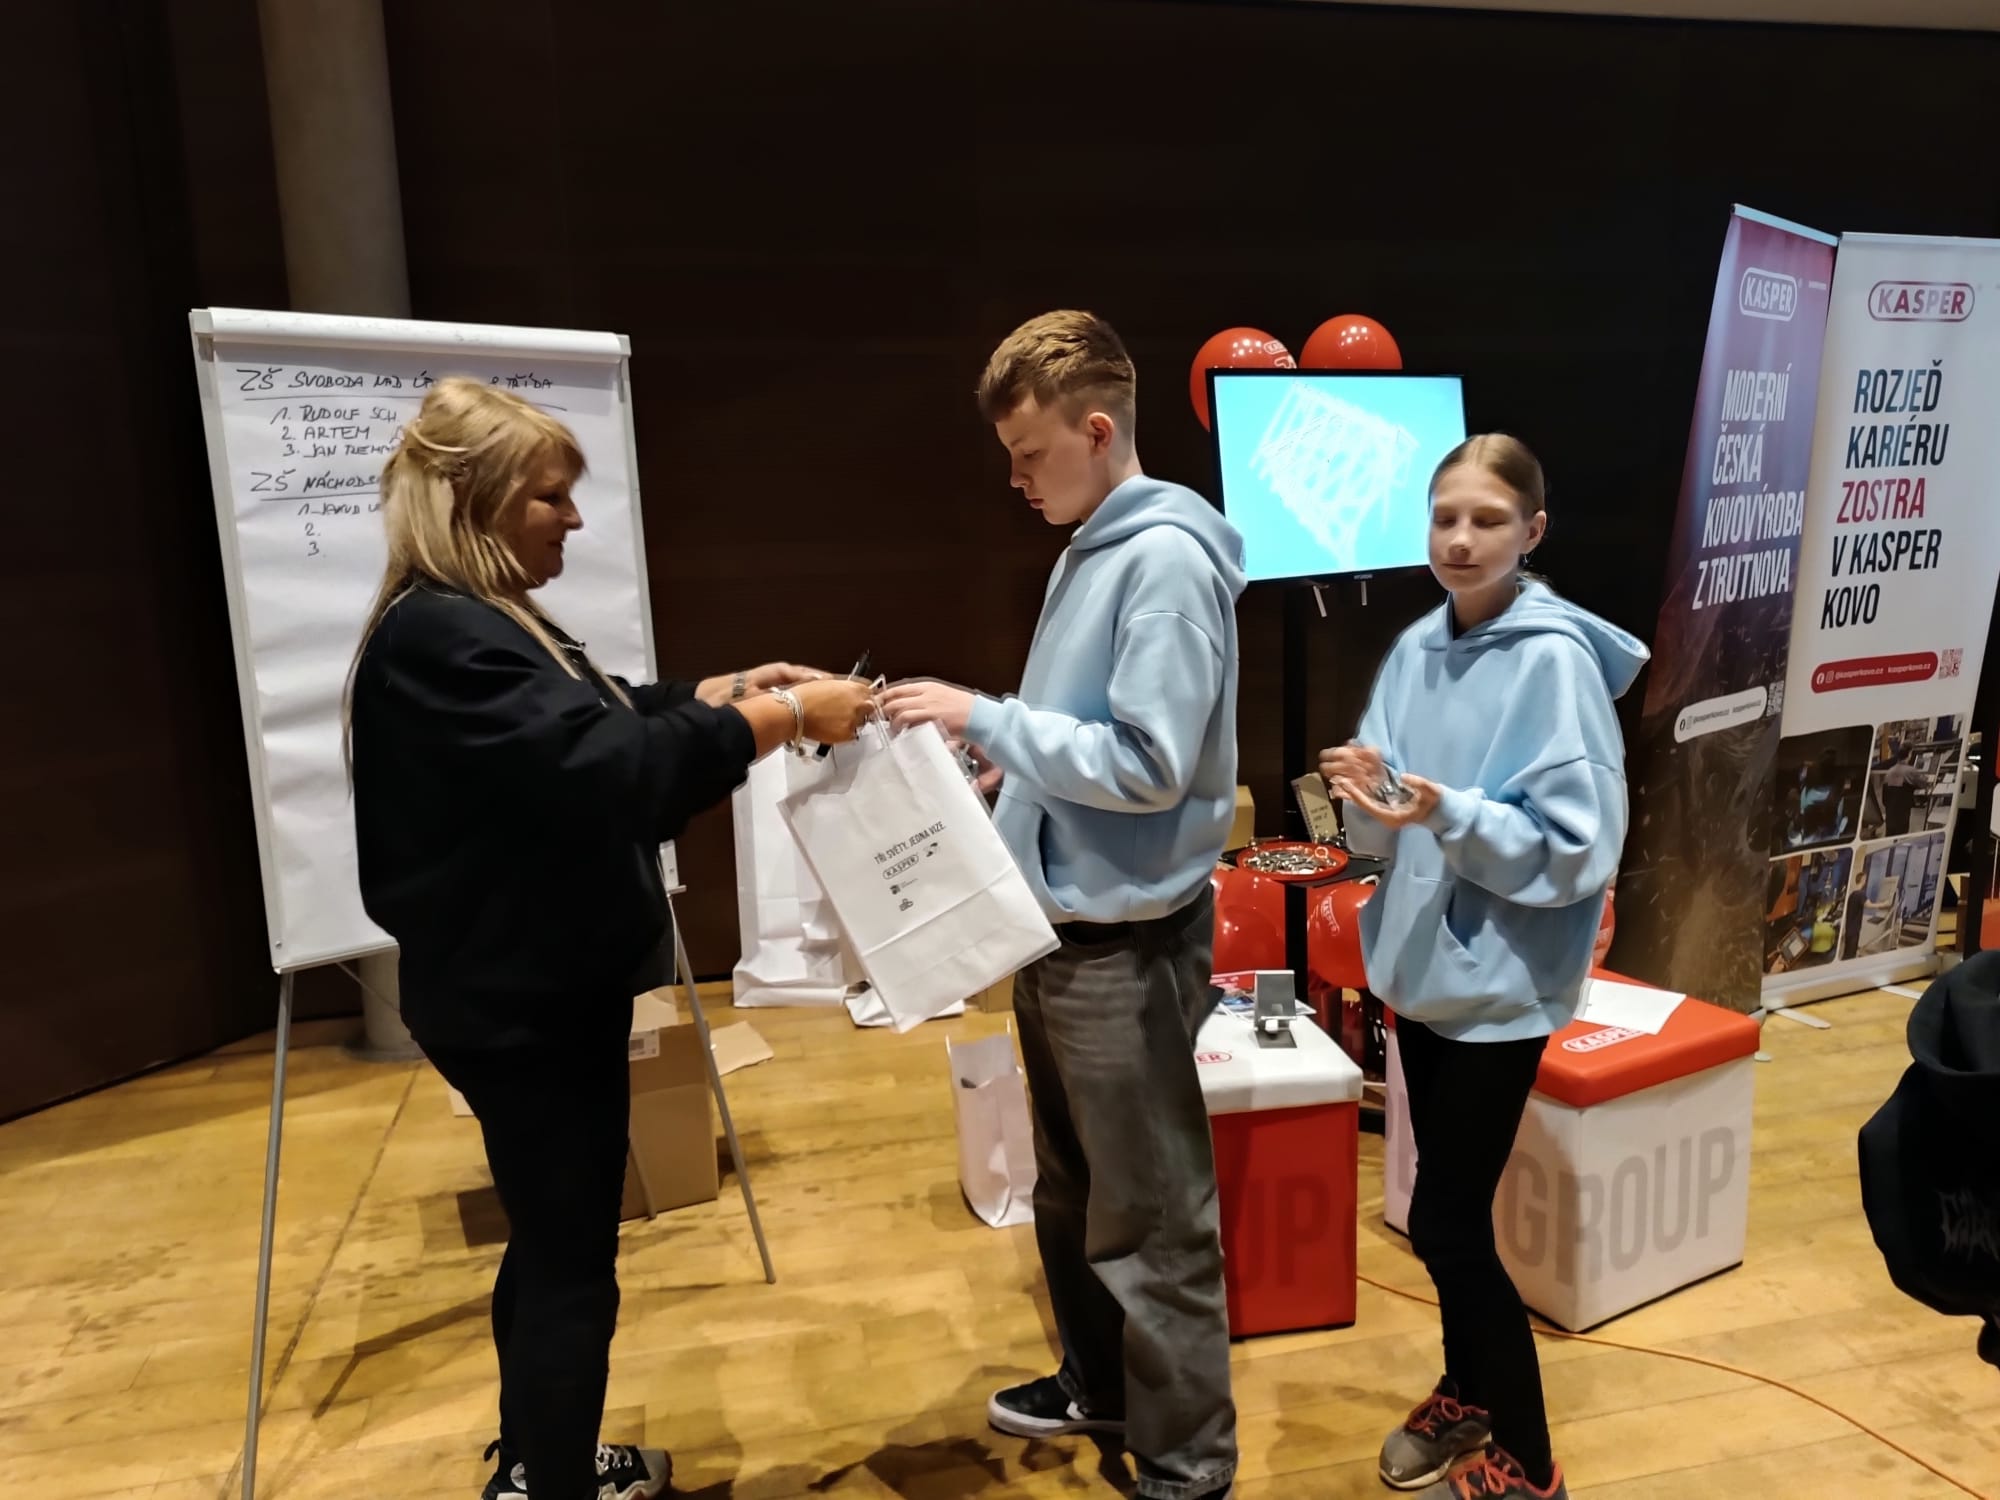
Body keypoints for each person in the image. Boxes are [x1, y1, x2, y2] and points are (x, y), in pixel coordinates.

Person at [344, 378, 873, 1500]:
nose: (573, 520)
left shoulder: (471, 621)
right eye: (549, 497)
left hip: (522, 996)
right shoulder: (446, 634)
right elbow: (614, 772)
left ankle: (536, 1465)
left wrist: (720, 692)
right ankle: (554, 1482)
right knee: (572, 1267)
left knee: (548, 1245)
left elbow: (591, 714)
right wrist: (778, 719)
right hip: (524, 1011)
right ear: (478, 501)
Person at [880, 310, 1243, 1500]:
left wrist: (984, 718)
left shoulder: (1163, 562)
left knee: (1154, 1220)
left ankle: (1186, 1466)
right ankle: (1101, 1386)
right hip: (1062, 929)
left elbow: (1149, 763)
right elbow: (1087, 734)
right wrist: (1013, 768)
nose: (1015, 478)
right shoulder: (1092, 546)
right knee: (1077, 1193)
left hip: (1124, 946)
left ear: (1095, 430)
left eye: (1029, 453)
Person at [1320, 434, 1647, 1500]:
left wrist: (1446, 811)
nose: (1459, 539)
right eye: (1444, 517)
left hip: (1501, 987)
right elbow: (1385, 818)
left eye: (1487, 520)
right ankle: (1465, 1393)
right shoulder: (1417, 645)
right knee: (1443, 1214)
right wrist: (1368, 793)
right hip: (1419, 973)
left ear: (1532, 532)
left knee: (1446, 1224)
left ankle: (1531, 1465)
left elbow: (1578, 848)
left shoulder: (1553, 663)